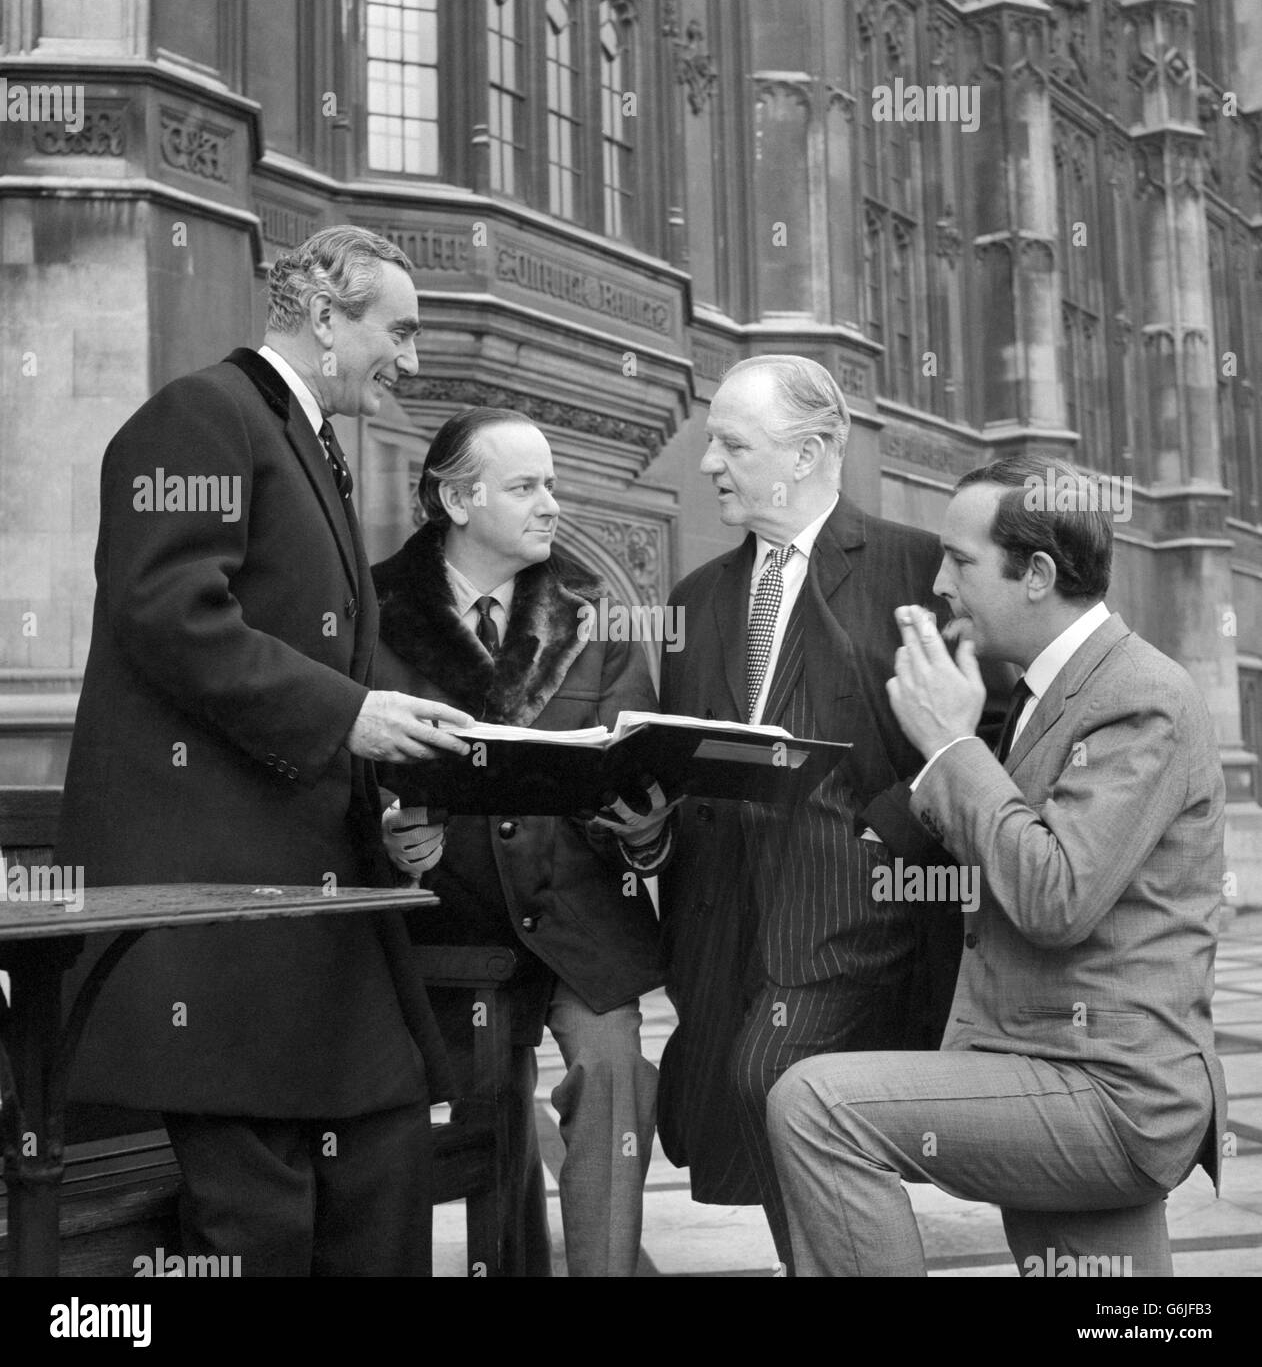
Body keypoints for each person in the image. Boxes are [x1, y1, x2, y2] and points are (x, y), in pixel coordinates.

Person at [56, 225, 474, 1276]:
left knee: (384, 1168)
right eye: (400, 330)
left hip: (310, 918)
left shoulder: (304, 440)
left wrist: (386, 796)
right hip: (221, 926)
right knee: (259, 1228)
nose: (411, 360)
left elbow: (290, 655)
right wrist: (348, 717)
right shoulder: (204, 413)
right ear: (326, 319)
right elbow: (167, 616)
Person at [767, 455, 1228, 1277]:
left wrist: (950, 744)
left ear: (1038, 574)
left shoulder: (1140, 694)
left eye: (961, 561)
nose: (940, 582)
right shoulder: (1048, 689)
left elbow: (1055, 896)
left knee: (816, 1104)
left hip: (1108, 1092)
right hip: (1053, 1064)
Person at [655, 354, 982, 1273]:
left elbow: (985, 735)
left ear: (807, 453)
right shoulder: (694, 599)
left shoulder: (920, 568)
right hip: (723, 920)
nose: (710, 461)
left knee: (771, 1078)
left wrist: (890, 830)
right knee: (747, 1106)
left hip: (856, 911)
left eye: (731, 443)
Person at [370, 407, 673, 1277]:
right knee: (486, 1103)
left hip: (578, 912)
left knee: (614, 1070)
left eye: (552, 482)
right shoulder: (373, 609)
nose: (553, 503)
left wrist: (645, 830)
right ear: (459, 500)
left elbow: (632, 772)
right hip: (446, 920)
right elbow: (343, 768)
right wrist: (390, 834)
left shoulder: (591, 611)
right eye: (527, 486)